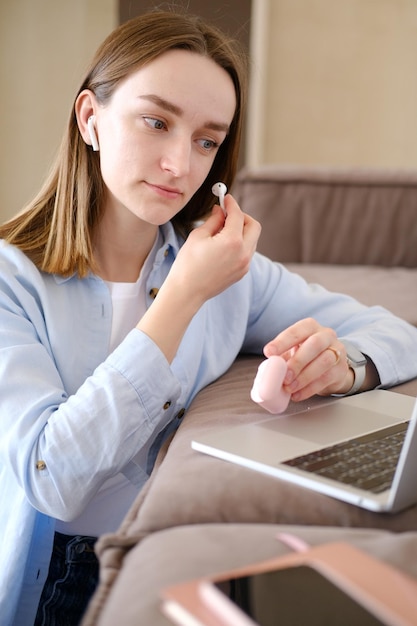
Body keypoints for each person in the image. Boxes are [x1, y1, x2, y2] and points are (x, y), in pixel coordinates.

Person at [0, 9, 416, 626]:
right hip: (55, 577)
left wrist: (343, 368)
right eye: (155, 121)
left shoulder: (227, 272)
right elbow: (53, 477)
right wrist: (182, 297)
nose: (180, 164)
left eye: (206, 140)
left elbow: (397, 332)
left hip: (175, 555)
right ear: (90, 119)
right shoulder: (13, 281)